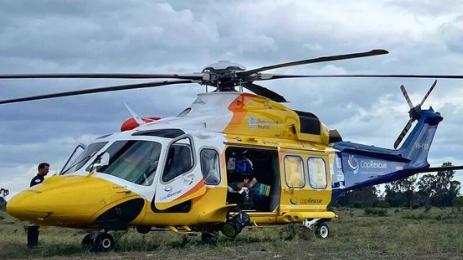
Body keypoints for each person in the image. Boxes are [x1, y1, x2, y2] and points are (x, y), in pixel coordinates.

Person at [26, 162, 49, 248]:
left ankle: (33, 244)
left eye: (48, 169)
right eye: (46, 169)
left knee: (35, 227)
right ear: (40, 169)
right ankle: (32, 245)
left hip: (37, 206)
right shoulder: (38, 180)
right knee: (33, 226)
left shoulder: (42, 179)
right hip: (35, 206)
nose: (47, 171)